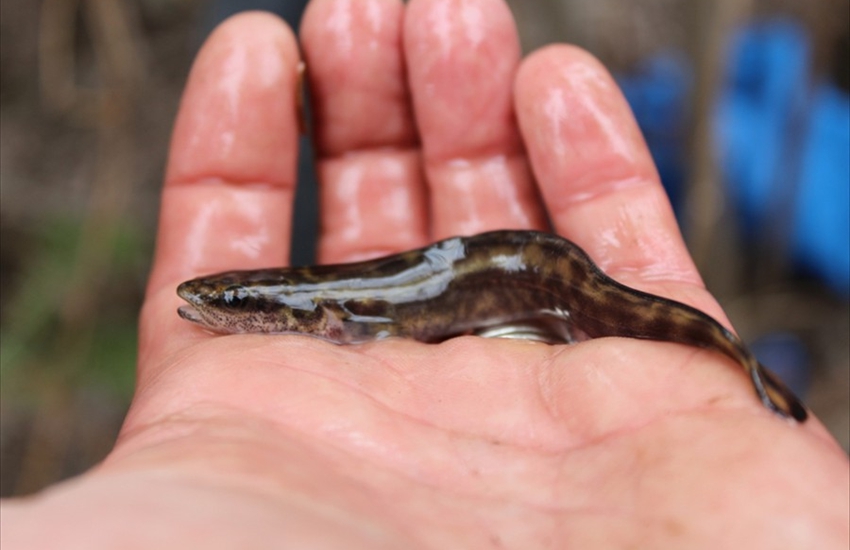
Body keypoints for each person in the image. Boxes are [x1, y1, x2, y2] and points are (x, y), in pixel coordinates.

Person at [3, 1, 848, 547]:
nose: (211, 306)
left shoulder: (337, 312)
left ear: (277, 310)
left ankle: (738, 364)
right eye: (225, 301)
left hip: (529, 271)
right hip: (494, 269)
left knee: (609, 307)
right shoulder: (326, 310)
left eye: (230, 302)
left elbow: (368, 318)